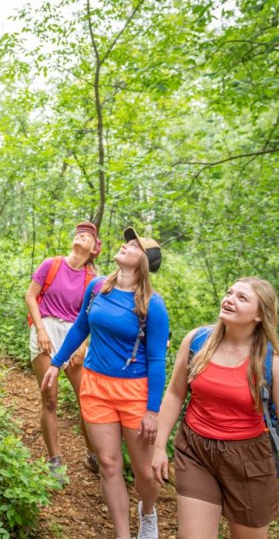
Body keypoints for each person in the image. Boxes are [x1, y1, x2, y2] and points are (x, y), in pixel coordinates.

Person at [151, 277, 279, 539]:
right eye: (229, 292)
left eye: (242, 298)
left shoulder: (273, 365)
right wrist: (159, 447)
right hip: (196, 451)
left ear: (260, 314)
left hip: (249, 462)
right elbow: (176, 393)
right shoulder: (197, 342)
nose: (229, 299)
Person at [41, 228, 168, 539]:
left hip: (135, 392)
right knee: (109, 463)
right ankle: (123, 534)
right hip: (96, 387)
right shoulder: (98, 287)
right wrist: (56, 363)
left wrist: (153, 411)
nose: (126, 245)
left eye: (135, 245)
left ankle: (147, 513)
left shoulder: (153, 305)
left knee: (143, 472)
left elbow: (156, 361)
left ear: (145, 262)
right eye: (127, 241)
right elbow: (81, 326)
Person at [24, 222, 102, 479]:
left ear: (94, 249)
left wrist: (83, 345)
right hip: (45, 327)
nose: (83, 234)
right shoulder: (52, 264)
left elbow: (92, 316)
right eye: (80, 232)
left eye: (89, 235)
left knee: (87, 400)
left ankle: (94, 455)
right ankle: (54, 458)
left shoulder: (93, 280)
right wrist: (40, 330)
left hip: (75, 336)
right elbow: (30, 296)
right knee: (50, 398)